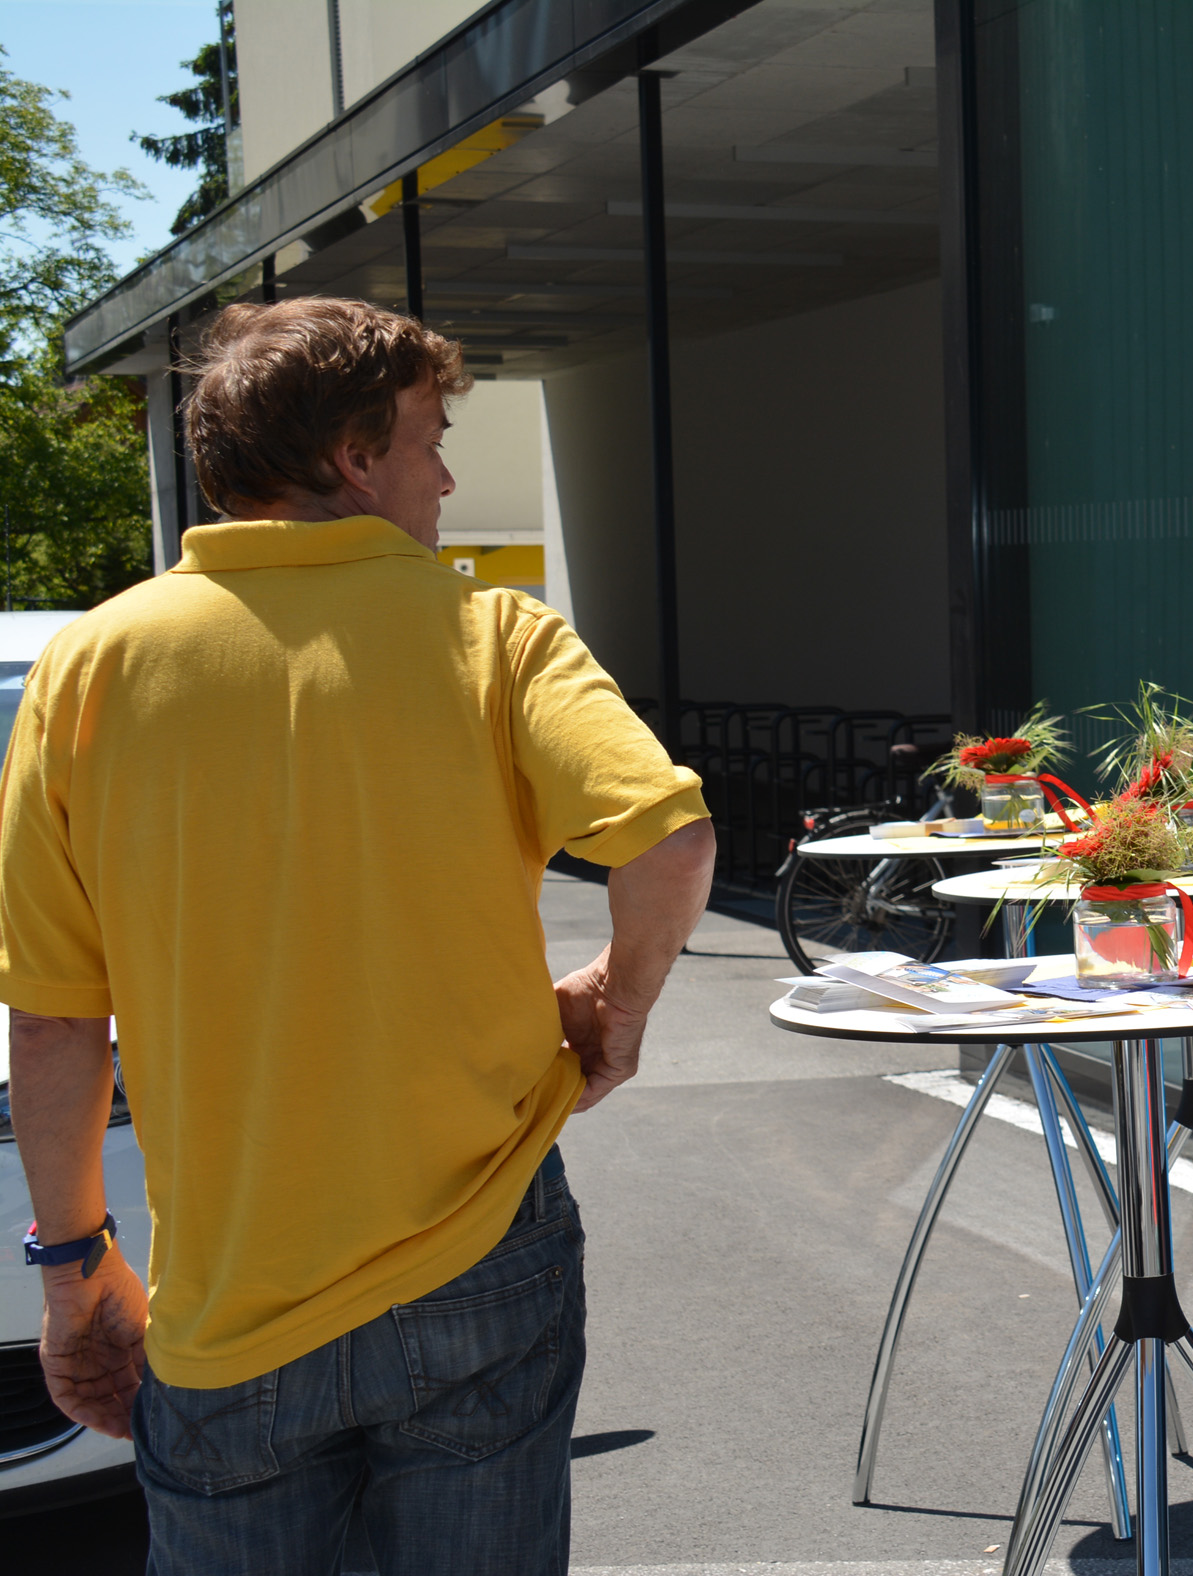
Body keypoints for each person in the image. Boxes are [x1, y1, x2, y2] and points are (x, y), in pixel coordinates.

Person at [5, 299, 716, 1574]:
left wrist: (76, 1270)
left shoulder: (88, 668)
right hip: (478, 1255)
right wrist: (616, 1005)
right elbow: (669, 843)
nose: (445, 478)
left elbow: (57, 1017)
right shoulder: (493, 635)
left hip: (233, 1296)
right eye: (431, 441)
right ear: (353, 455)